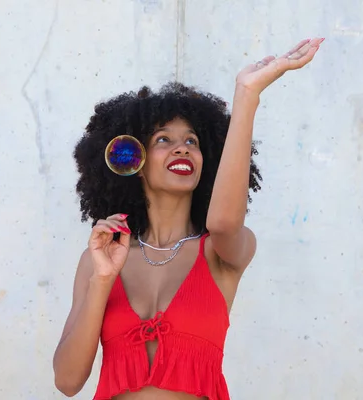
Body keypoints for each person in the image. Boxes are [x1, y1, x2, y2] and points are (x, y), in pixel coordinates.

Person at [53, 37, 325, 400]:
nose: (182, 147)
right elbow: (67, 382)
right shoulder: (97, 261)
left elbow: (225, 222)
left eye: (193, 142)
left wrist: (247, 95)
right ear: (134, 161)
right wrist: (102, 280)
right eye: (163, 139)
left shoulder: (221, 253)